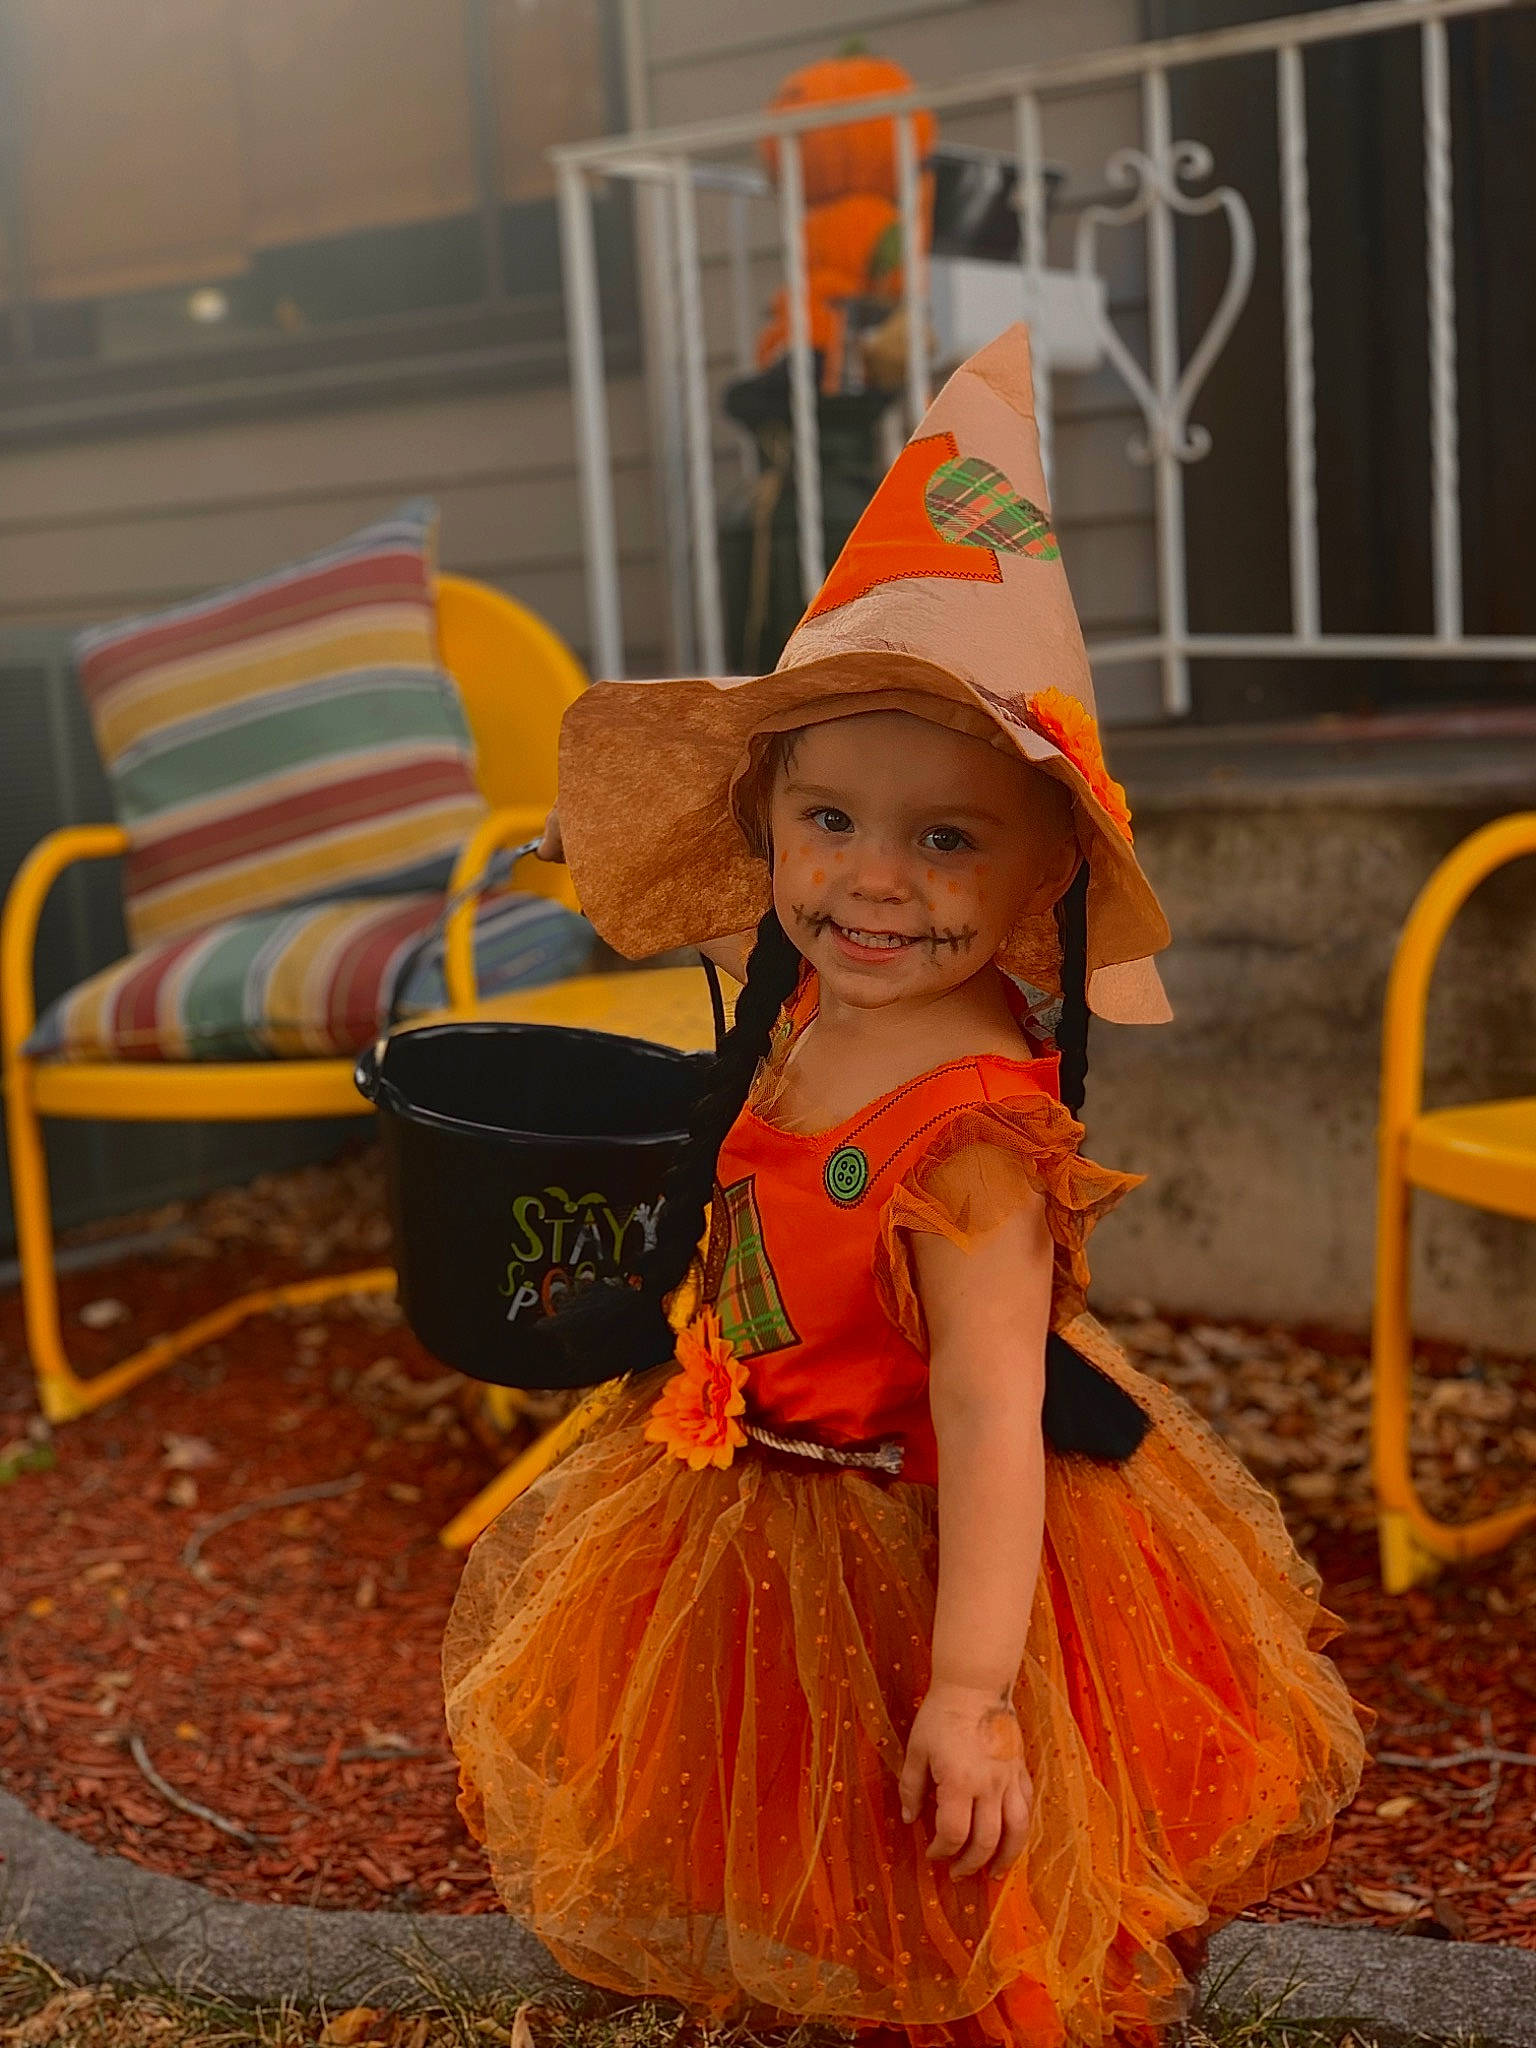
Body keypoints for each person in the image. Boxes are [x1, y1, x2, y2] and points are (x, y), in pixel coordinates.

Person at [442, 326, 1367, 2048]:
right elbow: (756, 1151)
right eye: (831, 823)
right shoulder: (802, 1003)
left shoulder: (973, 1141)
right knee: (768, 1803)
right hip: (744, 1492)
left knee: (933, 1861)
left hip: (919, 1538)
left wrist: (971, 1692)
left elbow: (996, 1412)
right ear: (769, 824)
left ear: (1043, 871)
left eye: (946, 838)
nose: (874, 884)